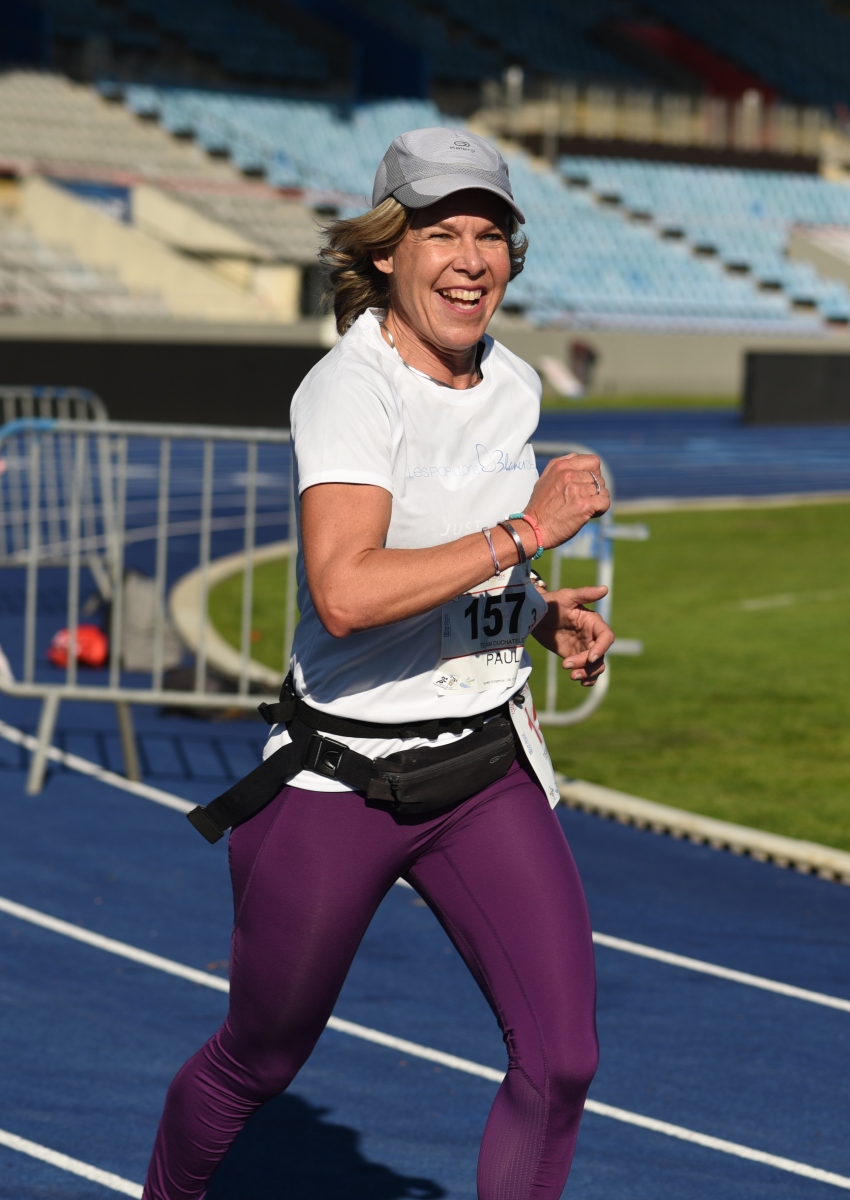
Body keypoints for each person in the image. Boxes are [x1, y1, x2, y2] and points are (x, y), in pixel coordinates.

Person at [146, 127, 615, 1200]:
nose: (470, 260)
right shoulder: (348, 390)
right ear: (387, 252)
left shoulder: (513, 382)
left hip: (483, 767)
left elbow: (455, 563)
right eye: (441, 234)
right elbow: (350, 594)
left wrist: (533, 612)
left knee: (562, 1060)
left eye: (489, 235)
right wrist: (529, 532)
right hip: (342, 781)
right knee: (261, 1058)